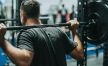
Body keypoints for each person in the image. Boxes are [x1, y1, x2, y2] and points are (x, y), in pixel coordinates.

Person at [0, 0, 84, 66]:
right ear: (38, 14)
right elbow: (79, 54)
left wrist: (1, 39)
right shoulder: (57, 31)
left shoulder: (26, 34)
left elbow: (24, 62)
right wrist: (73, 31)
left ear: (23, 15)